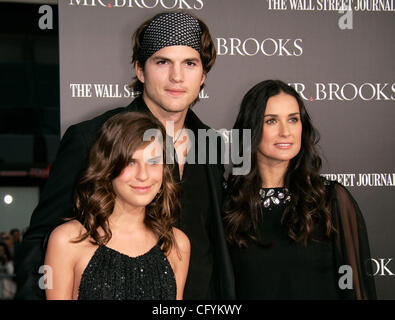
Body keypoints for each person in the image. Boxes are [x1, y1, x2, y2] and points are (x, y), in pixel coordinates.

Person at [15, 11, 234, 300]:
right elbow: (40, 240)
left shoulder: (212, 144)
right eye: (162, 62)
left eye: (190, 63)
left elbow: (213, 242)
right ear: (140, 70)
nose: (177, 76)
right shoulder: (90, 138)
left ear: (203, 75)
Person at [223, 80, 376, 300]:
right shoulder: (228, 205)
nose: (285, 132)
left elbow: (355, 290)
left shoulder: (330, 200)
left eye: (293, 119)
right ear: (251, 128)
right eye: (271, 121)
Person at [44, 112, 189, 300]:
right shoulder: (67, 241)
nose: (143, 175)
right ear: (107, 166)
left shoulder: (176, 244)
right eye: (130, 162)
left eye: (153, 162)